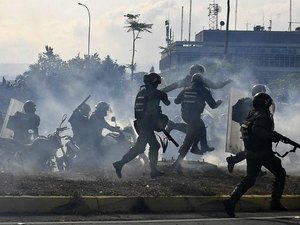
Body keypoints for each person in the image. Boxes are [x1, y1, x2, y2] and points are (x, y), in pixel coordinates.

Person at [223, 93, 287, 218]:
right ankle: (275, 202)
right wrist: (272, 136)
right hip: (263, 152)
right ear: (266, 103)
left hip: (251, 152)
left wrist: (274, 135)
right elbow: (258, 131)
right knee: (280, 174)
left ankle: (231, 201)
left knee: (250, 179)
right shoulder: (263, 115)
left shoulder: (252, 114)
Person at [162, 64, 231, 154]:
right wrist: (227, 81)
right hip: (193, 112)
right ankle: (195, 146)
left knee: (200, 127)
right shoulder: (202, 82)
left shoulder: (187, 81)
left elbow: (172, 88)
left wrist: (160, 92)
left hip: (187, 111)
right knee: (198, 128)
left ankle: (202, 146)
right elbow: (216, 86)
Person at [113, 73, 171, 179]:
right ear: (155, 83)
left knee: (147, 147)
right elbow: (167, 103)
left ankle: (151, 171)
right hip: (147, 125)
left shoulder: (141, 93)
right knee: (145, 147)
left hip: (140, 124)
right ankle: (120, 164)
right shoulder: (157, 93)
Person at [173, 73, 222, 174]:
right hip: (194, 117)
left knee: (196, 132)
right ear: (202, 81)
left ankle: (183, 158)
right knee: (195, 133)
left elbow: (176, 101)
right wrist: (218, 103)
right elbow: (212, 105)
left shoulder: (186, 89)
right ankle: (198, 147)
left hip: (185, 116)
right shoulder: (204, 90)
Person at [226, 84, 271, 173]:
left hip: (247, 129)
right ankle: (253, 170)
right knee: (255, 150)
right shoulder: (256, 103)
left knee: (252, 150)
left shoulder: (246, 101)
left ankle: (237, 162)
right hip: (254, 130)